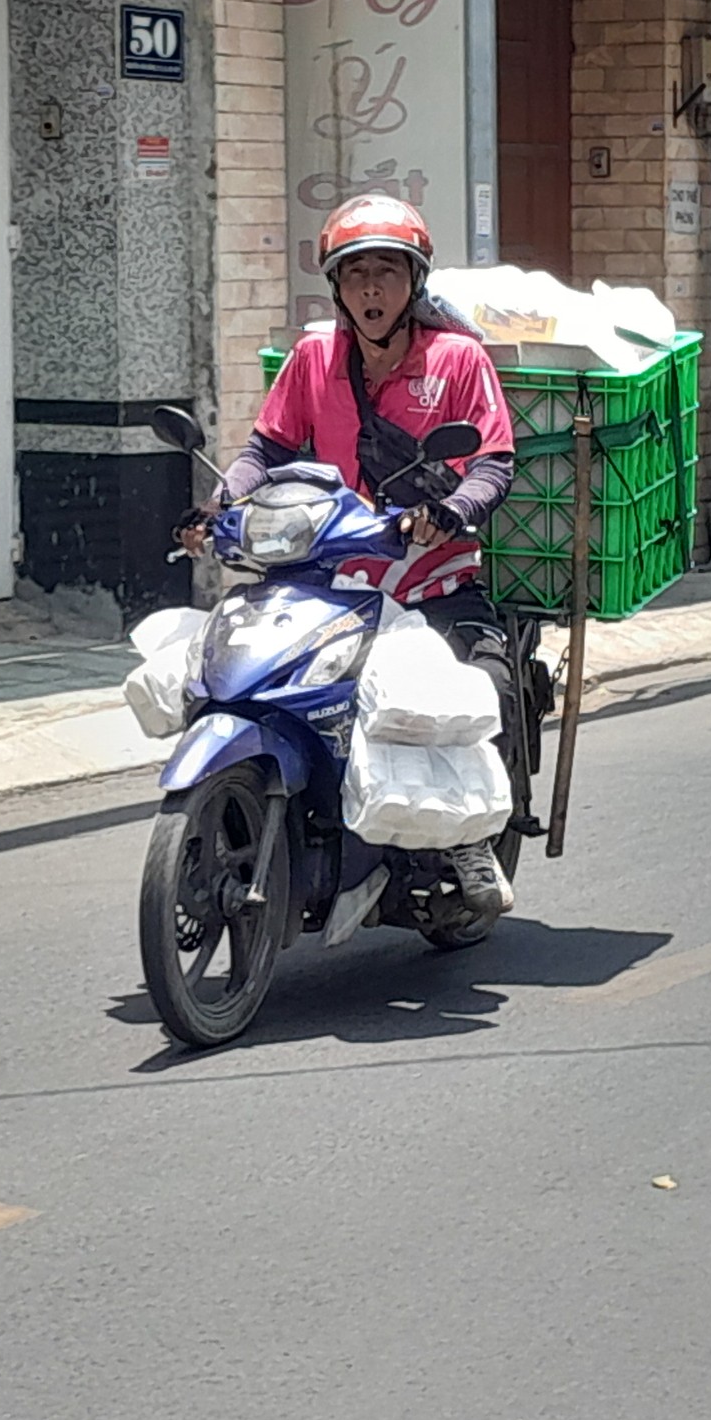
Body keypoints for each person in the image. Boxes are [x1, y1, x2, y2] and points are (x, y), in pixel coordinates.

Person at [179, 193, 520, 914]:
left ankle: (468, 840)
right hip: (331, 576)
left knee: (481, 689)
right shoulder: (314, 359)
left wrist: (451, 512)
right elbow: (266, 447)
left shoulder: (456, 360)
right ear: (337, 287)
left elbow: (491, 463)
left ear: (413, 283)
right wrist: (220, 505)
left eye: (387, 273)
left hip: (431, 582)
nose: (371, 287)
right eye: (356, 272)